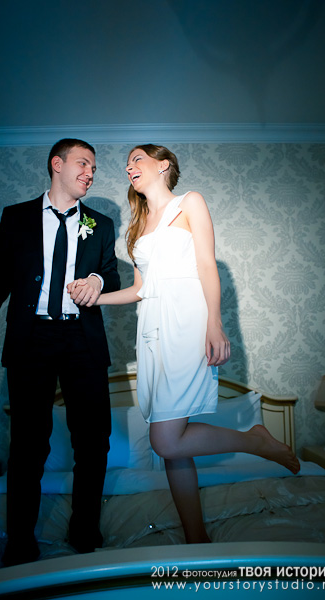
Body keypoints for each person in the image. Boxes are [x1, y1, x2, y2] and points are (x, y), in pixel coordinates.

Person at [68, 144, 300, 544]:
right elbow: (140, 290)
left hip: (187, 323)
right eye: (127, 163)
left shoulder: (190, 202)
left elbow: (207, 265)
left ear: (163, 165)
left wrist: (215, 323)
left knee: (164, 440)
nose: (129, 167)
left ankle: (256, 441)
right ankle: (197, 536)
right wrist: (95, 297)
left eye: (137, 159)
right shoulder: (138, 225)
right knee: (174, 444)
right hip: (151, 331)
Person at [0, 138, 120, 565]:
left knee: (93, 441)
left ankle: (84, 530)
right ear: (57, 164)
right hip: (32, 340)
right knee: (29, 444)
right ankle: (20, 541)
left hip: (83, 340)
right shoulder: (17, 218)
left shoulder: (101, 224)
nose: (90, 173)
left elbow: (112, 275)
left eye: (94, 168)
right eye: (83, 163)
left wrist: (97, 282)